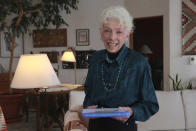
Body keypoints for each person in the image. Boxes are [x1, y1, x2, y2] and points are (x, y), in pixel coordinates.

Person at [83, 6, 159, 131]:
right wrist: (88, 107)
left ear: (127, 35)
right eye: (107, 30)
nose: (112, 37)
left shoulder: (139, 62)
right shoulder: (95, 59)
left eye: (119, 32)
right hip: (96, 127)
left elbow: (151, 104)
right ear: (101, 32)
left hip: (124, 128)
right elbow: (89, 93)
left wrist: (131, 111)